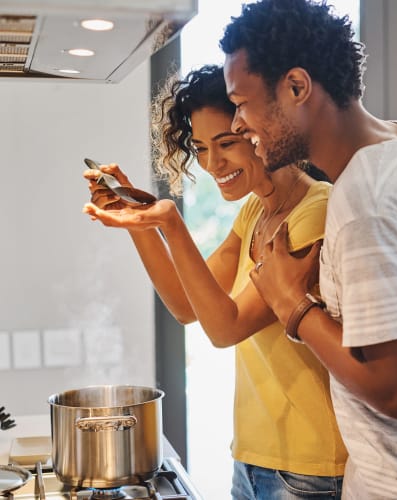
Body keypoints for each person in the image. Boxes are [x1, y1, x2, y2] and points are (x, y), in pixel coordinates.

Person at [219, 1, 397, 498]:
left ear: (297, 87)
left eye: (242, 103)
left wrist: (294, 305)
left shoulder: (365, 201)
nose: (238, 124)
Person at [82, 64, 347, 499]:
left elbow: (226, 328)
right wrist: (140, 222)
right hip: (254, 457)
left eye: (226, 143)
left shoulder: (314, 212)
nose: (211, 163)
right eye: (201, 148)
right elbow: (188, 306)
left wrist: (170, 222)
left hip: (310, 468)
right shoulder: (256, 212)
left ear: (262, 130)